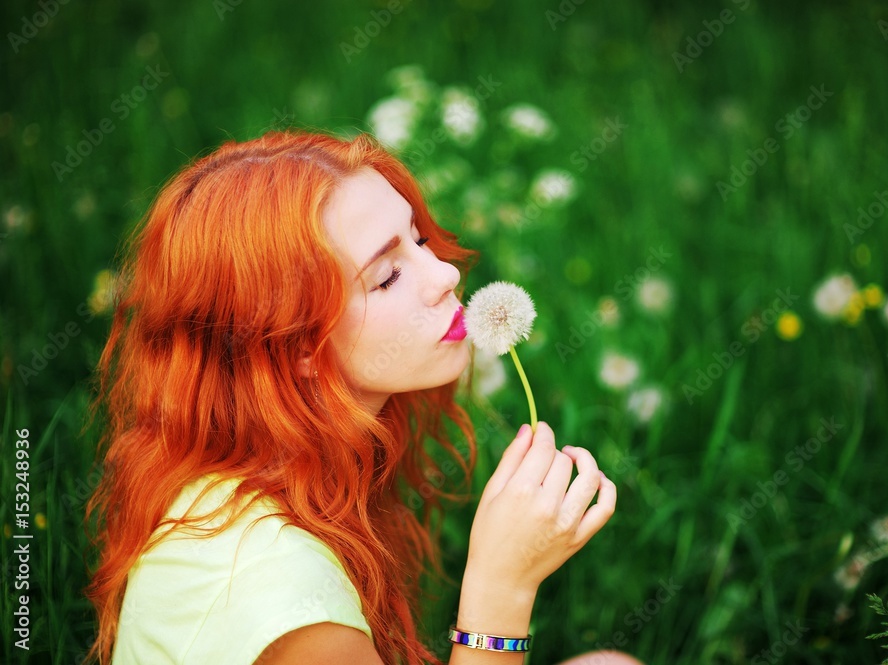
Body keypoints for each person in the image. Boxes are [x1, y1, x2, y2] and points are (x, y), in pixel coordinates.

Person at [83, 130, 641, 665]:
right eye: (388, 276)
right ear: (294, 343)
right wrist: (501, 589)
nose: (446, 273)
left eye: (419, 242)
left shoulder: (247, 483)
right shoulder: (284, 599)